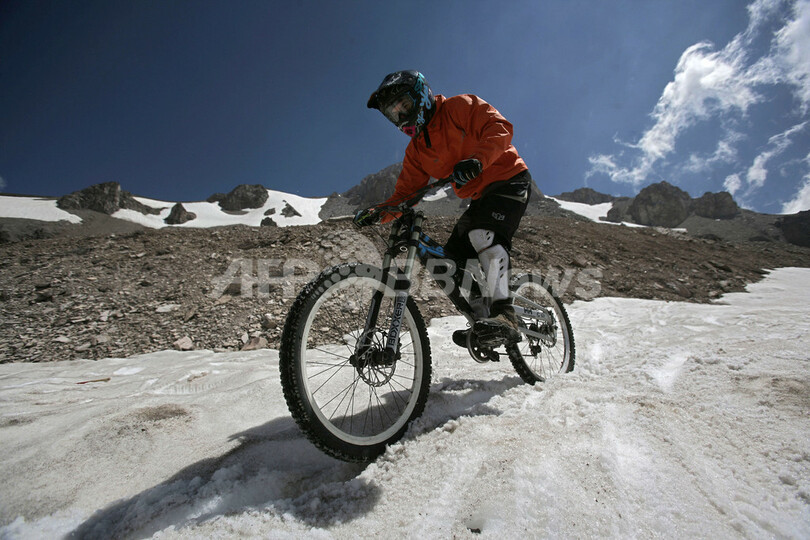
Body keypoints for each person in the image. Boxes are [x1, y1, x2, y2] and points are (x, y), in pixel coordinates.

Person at [355, 70, 532, 346]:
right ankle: (483, 317)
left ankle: (505, 315)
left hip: (509, 179)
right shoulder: (416, 150)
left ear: (421, 95)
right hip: (480, 197)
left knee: (482, 234)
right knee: (450, 262)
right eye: (393, 113)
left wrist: (478, 160)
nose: (401, 117)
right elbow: (405, 194)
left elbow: (500, 127)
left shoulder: (459, 107)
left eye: (404, 105)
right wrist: (379, 212)